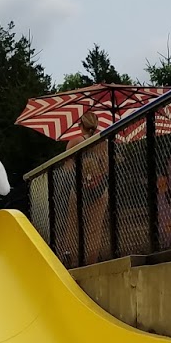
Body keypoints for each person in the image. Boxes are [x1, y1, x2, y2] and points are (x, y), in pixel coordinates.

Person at [68, 111, 110, 263]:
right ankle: (91, 262)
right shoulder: (103, 142)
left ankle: (73, 261)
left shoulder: (74, 143)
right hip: (100, 189)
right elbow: (106, 168)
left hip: (78, 189)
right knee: (95, 229)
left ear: (81, 125)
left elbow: (67, 168)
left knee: (74, 227)